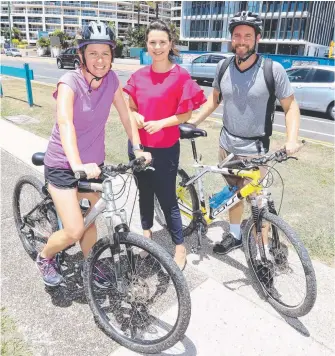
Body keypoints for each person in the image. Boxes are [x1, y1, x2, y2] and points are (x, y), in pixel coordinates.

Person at [36, 21, 151, 287]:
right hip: (64, 165)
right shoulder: (69, 82)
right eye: (93, 53)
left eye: (106, 53)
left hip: (93, 164)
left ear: (112, 56)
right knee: (75, 229)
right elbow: (65, 123)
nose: (100, 60)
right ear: (81, 56)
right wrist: (76, 163)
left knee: (92, 216)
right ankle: (44, 256)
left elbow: (125, 115)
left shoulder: (111, 80)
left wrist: (138, 149)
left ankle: (91, 265)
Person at [190, 11, 301, 256]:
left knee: (258, 203)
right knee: (234, 196)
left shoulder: (273, 69)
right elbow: (214, 100)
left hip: (256, 151)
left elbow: (291, 106)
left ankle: (262, 253)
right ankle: (236, 235)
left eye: (247, 36)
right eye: (237, 35)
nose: (242, 41)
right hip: (226, 146)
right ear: (231, 39)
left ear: (257, 38)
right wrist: (193, 121)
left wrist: (291, 139)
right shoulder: (223, 66)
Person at [123, 20, 206, 270]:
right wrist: (135, 115)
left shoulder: (180, 75)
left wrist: (160, 124)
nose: (157, 47)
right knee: (144, 194)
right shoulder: (138, 76)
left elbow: (186, 115)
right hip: (138, 147)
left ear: (170, 44)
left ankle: (179, 247)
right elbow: (129, 105)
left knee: (168, 198)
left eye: (162, 42)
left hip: (166, 148)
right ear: (146, 46)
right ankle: (147, 239)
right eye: (152, 42)